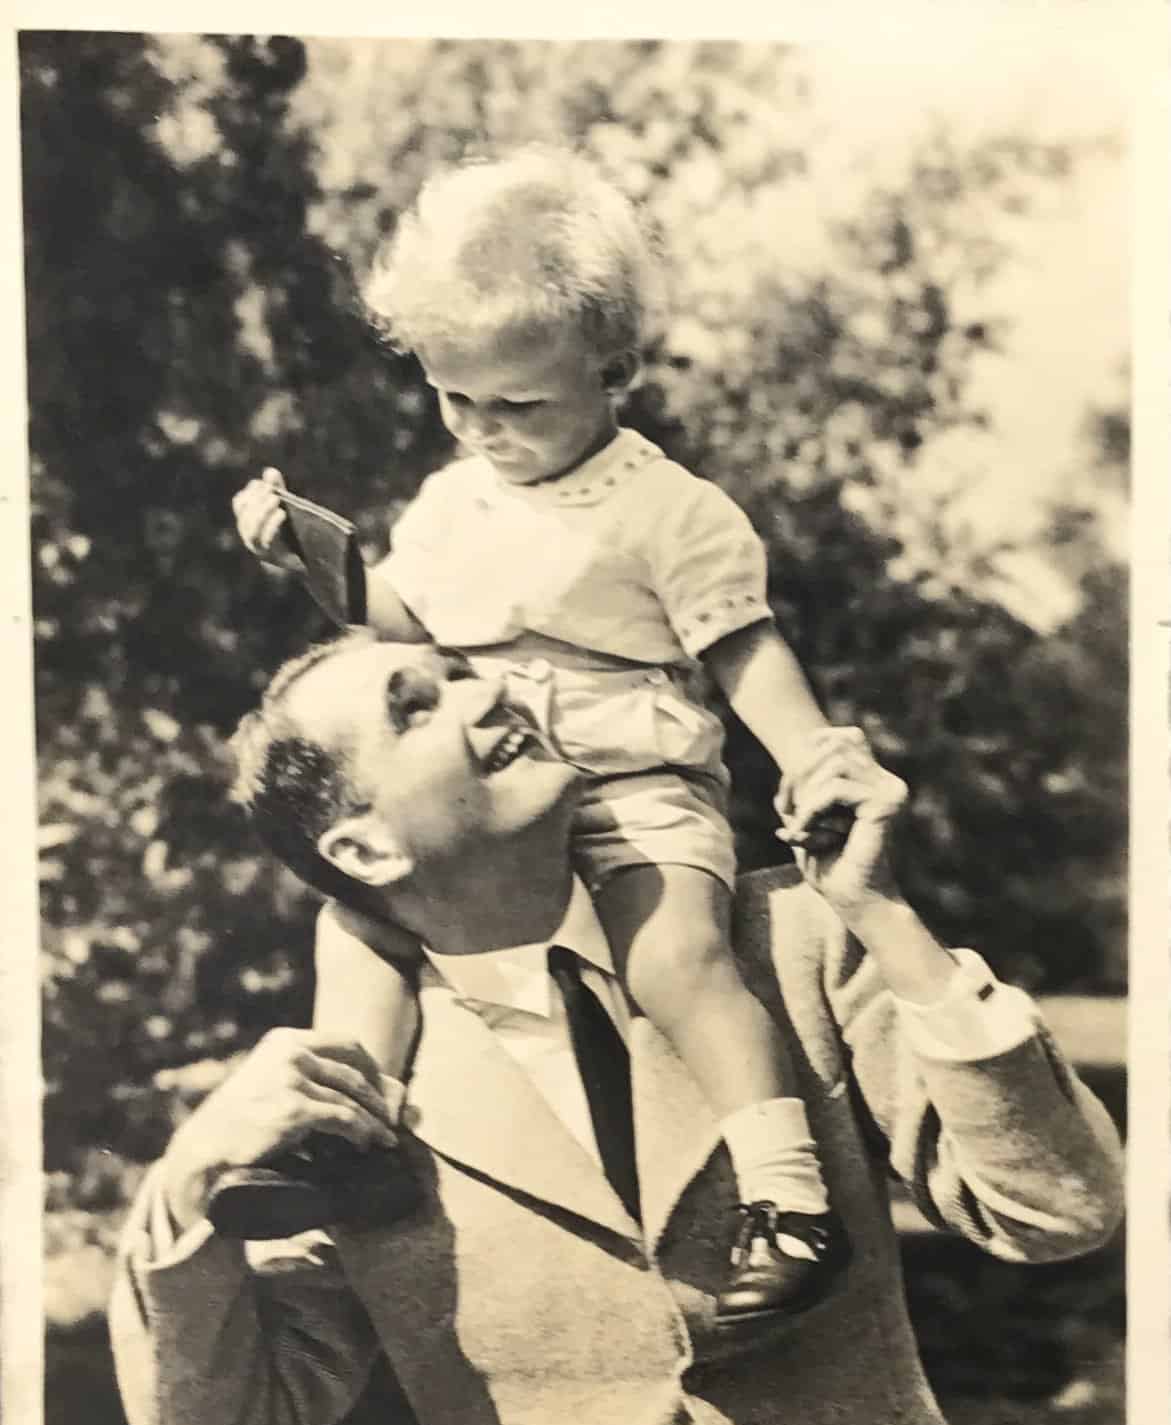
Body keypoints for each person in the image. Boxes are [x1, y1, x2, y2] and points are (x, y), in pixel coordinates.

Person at [110, 635, 1124, 1425]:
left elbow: (1055, 1211)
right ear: (362, 845)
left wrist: (887, 918)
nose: (488, 694)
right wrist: (187, 1183)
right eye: (414, 709)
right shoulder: (347, 1100)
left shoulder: (791, 944)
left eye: (461, 672)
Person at [232, 144, 849, 1325]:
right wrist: (305, 545)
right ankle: (343, 1131)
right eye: (454, 399)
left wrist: (813, 756)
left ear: (613, 370)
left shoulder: (670, 512)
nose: (482, 430)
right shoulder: (455, 500)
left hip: (632, 781)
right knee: (358, 917)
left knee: (673, 957)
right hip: (495, 790)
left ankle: (789, 1200)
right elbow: (396, 615)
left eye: (517, 405)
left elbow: (742, 650)